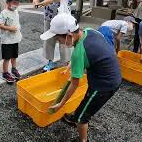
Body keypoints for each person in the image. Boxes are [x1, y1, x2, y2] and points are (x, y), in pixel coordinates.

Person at [42, 13, 121, 142]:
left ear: (68, 36)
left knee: (82, 117)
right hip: (112, 73)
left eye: (58, 40)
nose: (59, 43)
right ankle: (78, 116)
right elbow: (84, 51)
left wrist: (61, 104)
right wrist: (70, 66)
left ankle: (82, 137)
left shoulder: (78, 54)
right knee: (86, 101)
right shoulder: (89, 31)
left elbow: (74, 84)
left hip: (104, 85)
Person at [33, 0, 72, 72]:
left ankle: (68, 62)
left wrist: (48, 1)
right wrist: (35, 0)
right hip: (48, 13)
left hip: (61, 15)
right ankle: (50, 62)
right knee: (48, 38)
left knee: (64, 38)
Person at [0, 0, 23, 84]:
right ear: (8, 2)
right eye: (14, 3)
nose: (16, 5)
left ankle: (14, 69)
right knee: (7, 58)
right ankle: (5, 73)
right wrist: (9, 28)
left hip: (15, 39)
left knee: (14, 56)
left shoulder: (16, 12)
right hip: (7, 40)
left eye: (18, 3)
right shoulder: (4, 13)